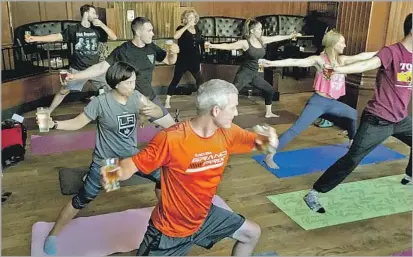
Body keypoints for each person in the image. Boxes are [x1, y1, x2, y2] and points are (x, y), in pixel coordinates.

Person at [101, 79, 279, 256]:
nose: (236, 112)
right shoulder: (171, 139)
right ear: (216, 110)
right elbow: (129, 167)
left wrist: (271, 140)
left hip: (204, 217)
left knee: (251, 233)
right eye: (233, 107)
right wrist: (105, 173)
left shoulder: (229, 132)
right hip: (169, 232)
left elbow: (261, 144)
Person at [41, 62, 165, 255]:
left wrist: (151, 112)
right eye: (129, 82)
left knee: (164, 178)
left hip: (131, 158)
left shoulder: (136, 97)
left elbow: (157, 112)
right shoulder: (100, 103)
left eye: (134, 81)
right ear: (116, 84)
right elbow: (77, 123)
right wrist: (55, 124)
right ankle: (53, 235)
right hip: (106, 161)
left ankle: (164, 215)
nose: (134, 85)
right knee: (84, 198)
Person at [303, 13, 412, 213]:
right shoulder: (392, 52)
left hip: (400, 118)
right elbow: (366, 64)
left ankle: (410, 175)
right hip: (378, 120)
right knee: (352, 158)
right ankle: (314, 193)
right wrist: (338, 70)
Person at [259, 30, 377, 169]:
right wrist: (271, 63)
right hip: (318, 103)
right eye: (342, 42)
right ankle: (269, 156)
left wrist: (384, 52)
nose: (345, 45)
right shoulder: (319, 60)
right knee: (295, 130)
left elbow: (361, 57)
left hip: (333, 104)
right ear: (333, 44)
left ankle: (352, 141)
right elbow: (296, 61)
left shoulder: (342, 60)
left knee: (352, 114)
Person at [65, 17, 179, 129]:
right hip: (127, 100)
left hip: (148, 97)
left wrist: (173, 53)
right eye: (149, 30)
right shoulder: (123, 50)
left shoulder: (152, 47)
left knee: (173, 128)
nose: (152, 34)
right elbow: (100, 67)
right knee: (122, 135)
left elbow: (169, 61)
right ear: (138, 32)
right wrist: (75, 76)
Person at [25, 4, 117, 114]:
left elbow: (114, 37)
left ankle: (113, 111)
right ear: (86, 13)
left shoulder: (97, 29)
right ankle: (49, 111)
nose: (96, 15)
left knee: (112, 87)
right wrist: (35, 38)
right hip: (78, 69)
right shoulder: (74, 29)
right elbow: (56, 37)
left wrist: (102, 24)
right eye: (93, 13)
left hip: (95, 68)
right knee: (64, 91)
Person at [205, 19, 299, 118]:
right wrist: (212, 45)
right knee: (231, 94)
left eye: (261, 28)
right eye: (259, 29)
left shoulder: (261, 40)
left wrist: (290, 36)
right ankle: (214, 112)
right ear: (252, 31)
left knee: (270, 90)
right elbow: (228, 46)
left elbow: (276, 38)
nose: (261, 31)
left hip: (254, 74)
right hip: (244, 74)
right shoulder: (245, 43)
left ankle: (268, 113)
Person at [164, 9, 204, 108]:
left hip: (194, 59)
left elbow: (200, 42)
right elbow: (175, 36)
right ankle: (167, 100)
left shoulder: (198, 29)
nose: (191, 19)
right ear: (185, 19)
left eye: (193, 17)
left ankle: (201, 100)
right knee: (176, 79)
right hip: (182, 59)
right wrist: (187, 26)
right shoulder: (181, 27)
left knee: (200, 80)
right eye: (189, 17)